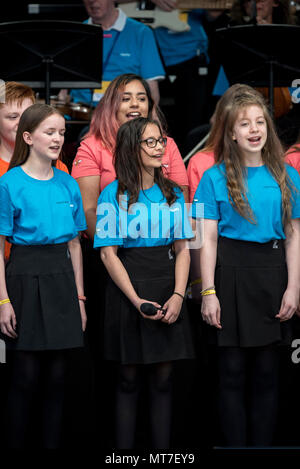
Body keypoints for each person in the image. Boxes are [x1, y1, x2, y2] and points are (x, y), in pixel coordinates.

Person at [191, 86, 300, 446]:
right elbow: (205, 241)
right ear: (231, 132)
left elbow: (294, 235)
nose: (254, 129)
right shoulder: (212, 178)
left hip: (273, 273)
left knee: (269, 374)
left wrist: (294, 288)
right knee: (232, 374)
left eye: (260, 122)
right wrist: (208, 292)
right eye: (244, 124)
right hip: (230, 274)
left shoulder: (288, 176)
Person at [94, 116, 194, 448]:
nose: (159, 147)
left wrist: (179, 295)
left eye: (160, 140)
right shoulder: (113, 193)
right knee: (127, 378)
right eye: (150, 142)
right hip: (127, 287)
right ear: (130, 149)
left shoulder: (173, 194)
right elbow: (109, 255)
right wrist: (136, 300)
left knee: (165, 380)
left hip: (167, 283)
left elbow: (182, 250)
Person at [0, 103, 87, 448]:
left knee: (58, 377)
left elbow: (76, 246)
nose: (57, 138)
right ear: (28, 137)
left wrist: (80, 298)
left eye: (62, 132)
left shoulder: (67, 183)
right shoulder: (10, 183)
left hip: (61, 279)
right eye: (49, 132)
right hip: (24, 275)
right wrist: (3, 299)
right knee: (25, 376)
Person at [72, 73, 189, 241]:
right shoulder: (92, 147)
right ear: (111, 106)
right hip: (110, 246)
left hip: (160, 244)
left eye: (142, 99)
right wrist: (112, 248)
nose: (135, 104)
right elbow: (87, 210)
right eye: (126, 99)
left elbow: (181, 202)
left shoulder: (167, 144)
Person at [0, 81, 69, 261]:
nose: (22, 123)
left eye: (28, 117)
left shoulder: (57, 168)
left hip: (47, 266)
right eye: (12, 116)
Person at [60, 0, 165, 107]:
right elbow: (64, 88)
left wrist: (150, 119)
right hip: (80, 113)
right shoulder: (76, 32)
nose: (92, 1)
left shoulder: (141, 32)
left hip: (124, 114)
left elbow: (151, 88)